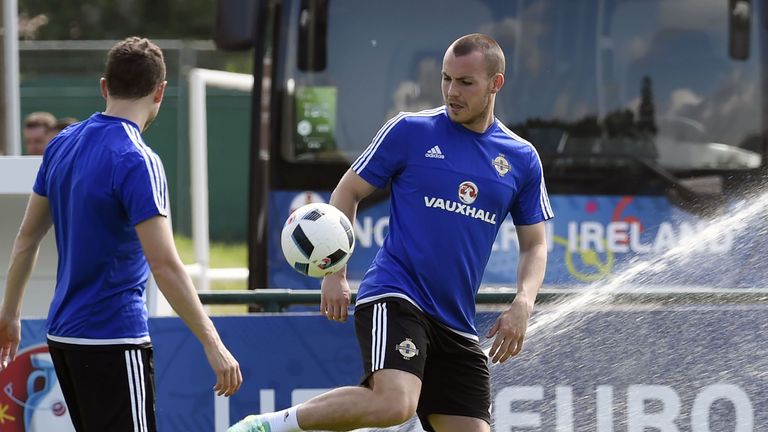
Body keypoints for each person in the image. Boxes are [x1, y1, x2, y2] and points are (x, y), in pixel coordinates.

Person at [229, 33, 552, 432]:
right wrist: (335, 272)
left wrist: (523, 302)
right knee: (394, 402)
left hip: (456, 321)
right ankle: (267, 427)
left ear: (496, 84)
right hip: (397, 295)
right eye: (446, 79)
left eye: (465, 83)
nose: (452, 91)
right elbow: (347, 191)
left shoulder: (521, 158)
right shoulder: (410, 131)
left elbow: (535, 244)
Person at [0, 37, 242, 431]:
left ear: (104, 86)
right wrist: (213, 343)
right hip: (113, 337)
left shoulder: (61, 144)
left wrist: (10, 314)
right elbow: (163, 264)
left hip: (63, 336)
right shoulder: (138, 160)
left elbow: (27, 238)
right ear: (160, 91)